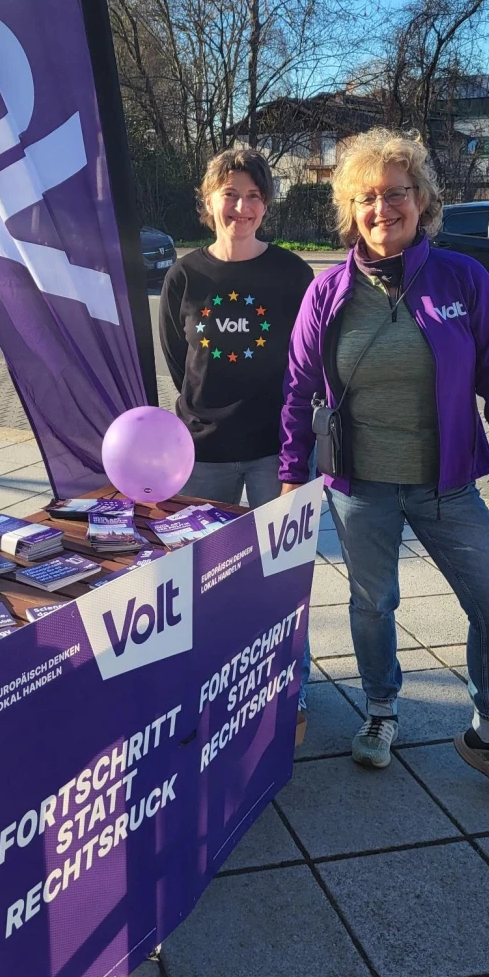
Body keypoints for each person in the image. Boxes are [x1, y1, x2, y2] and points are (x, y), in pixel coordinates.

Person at [278, 128, 489, 809]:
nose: (381, 208)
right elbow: (299, 388)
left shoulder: (464, 279)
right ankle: (379, 707)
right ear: (349, 208)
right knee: (373, 602)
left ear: (422, 200)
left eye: (396, 193)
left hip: (448, 483)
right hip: (358, 485)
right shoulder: (327, 293)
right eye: (365, 197)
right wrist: (290, 473)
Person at [160, 146, 314, 735]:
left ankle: (291, 690)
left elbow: (308, 358)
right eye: (230, 194)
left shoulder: (290, 273)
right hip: (203, 454)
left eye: (253, 196)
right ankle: (206, 690)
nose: (241, 207)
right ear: (209, 201)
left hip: (278, 452)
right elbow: (180, 363)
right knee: (201, 584)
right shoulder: (186, 274)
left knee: (282, 578)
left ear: (266, 206)